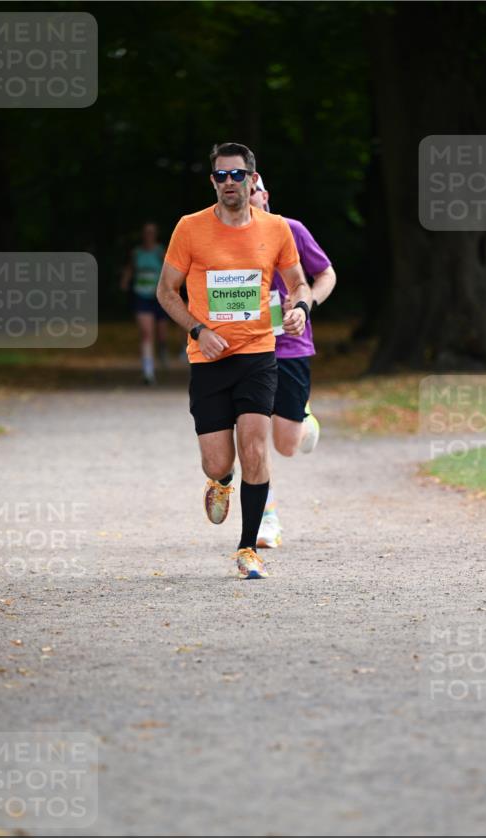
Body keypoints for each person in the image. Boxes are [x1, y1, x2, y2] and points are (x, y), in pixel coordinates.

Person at [157, 142, 310, 579]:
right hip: (208, 358)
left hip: (258, 354)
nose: (229, 182)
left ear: (252, 179)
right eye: (221, 175)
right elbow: (166, 291)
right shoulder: (190, 228)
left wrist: (300, 308)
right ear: (213, 181)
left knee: (256, 450)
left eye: (237, 174)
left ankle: (247, 549)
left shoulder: (276, 229)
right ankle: (220, 482)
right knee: (218, 461)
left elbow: (298, 283)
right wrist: (198, 331)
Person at [249, 176, 336, 548]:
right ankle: (266, 518)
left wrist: (305, 303)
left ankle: (304, 416)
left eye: (252, 191)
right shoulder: (224, 235)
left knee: (286, 445)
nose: (245, 198)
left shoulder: (292, 230)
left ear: (264, 196)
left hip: (291, 346)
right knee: (251, 433)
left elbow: (326, 273)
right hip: (247, 346)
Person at [120, 222, 171, 384]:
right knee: (146, 333)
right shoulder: (137, 252)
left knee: (161, 333)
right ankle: (148, 372)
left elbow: (169, 269)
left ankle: (162, 348)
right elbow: (131, 268)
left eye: (152, 232)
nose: (149, 235)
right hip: (141, 296)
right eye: (146, 232)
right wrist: (125, 280)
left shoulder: (160, 251)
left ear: (155, 234)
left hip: (159, 297)